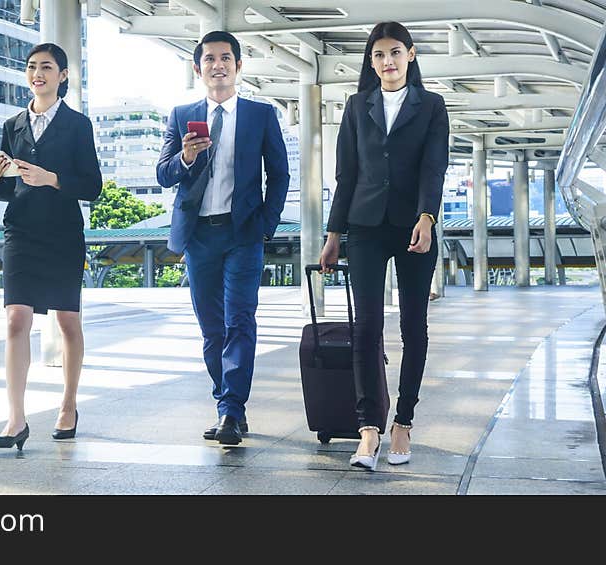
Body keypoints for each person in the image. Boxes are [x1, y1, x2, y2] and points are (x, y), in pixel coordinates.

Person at [319, 22, 448, 470]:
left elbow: (435, 168)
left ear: (410, 55)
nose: (387, 61)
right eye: (379, 55)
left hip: (416, 226)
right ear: (370, 61)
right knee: (367, 328)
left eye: (395, 52)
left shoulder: (431, 105)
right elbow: (346, 175)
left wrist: (427, 218)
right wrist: (334, 235)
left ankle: (404, 422)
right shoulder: (357, 106)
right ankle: (369, 429)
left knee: (414, 328)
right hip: (366, 226)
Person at [157, 31, 289, 445]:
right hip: (199, 236)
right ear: (198, 69)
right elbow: (163, 175)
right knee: (211, 327)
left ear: (238, 66)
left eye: (226, 58)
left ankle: (231, 410)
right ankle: (227, 402)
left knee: (239, 321)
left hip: (242, 234)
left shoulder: (260, 114)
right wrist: (186, 156)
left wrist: (266, 224)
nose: (218, 65)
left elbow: (280, 174)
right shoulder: (181, 115)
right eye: (210, 59)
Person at [0, 43, 102, 450]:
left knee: (68, 321)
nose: (38, 73)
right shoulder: (13, 124)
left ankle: (68, 405)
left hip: (63, 233)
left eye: (47, 67)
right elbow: (6, 192)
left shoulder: (78, 125)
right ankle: (15, 418)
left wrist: (53, 179)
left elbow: (93, 187)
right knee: (16, 318)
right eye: (32, 67)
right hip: (21, 231)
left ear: (62, 76)